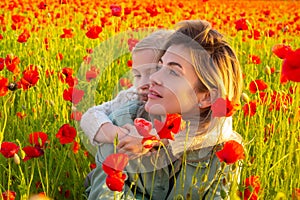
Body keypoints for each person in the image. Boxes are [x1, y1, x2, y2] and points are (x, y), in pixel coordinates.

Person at [117, 19, 244, 199]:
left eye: (174, 72)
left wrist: (159, 140)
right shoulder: (125, 122)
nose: (153, 77)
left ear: (207, 97)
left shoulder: (224, 155)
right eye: (160, 65)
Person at [80, 30, 174, 199]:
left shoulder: (184, 102)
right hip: (133, 183)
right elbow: (91, 115)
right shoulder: (133, 95)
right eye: (138, 75)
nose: (143, 83)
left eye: (153, 72)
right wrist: (122, 136)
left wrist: (147, 138)